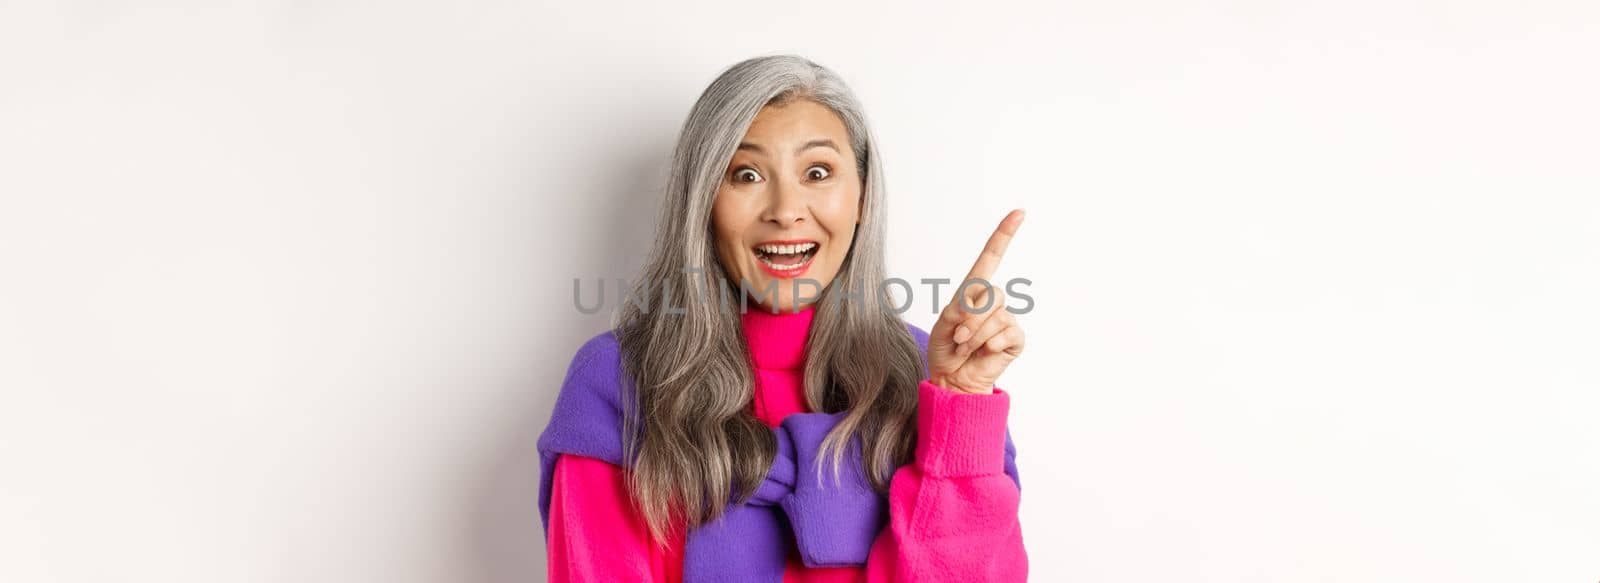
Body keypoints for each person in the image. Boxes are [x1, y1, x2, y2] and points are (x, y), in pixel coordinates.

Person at [538, 54, 1029, 582]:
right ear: (703, 201)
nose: (786, 209)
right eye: (746, 174)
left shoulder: (928, 379)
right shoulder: (620, 382)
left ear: (861, 195)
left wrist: (958, 406)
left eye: (817, 172)